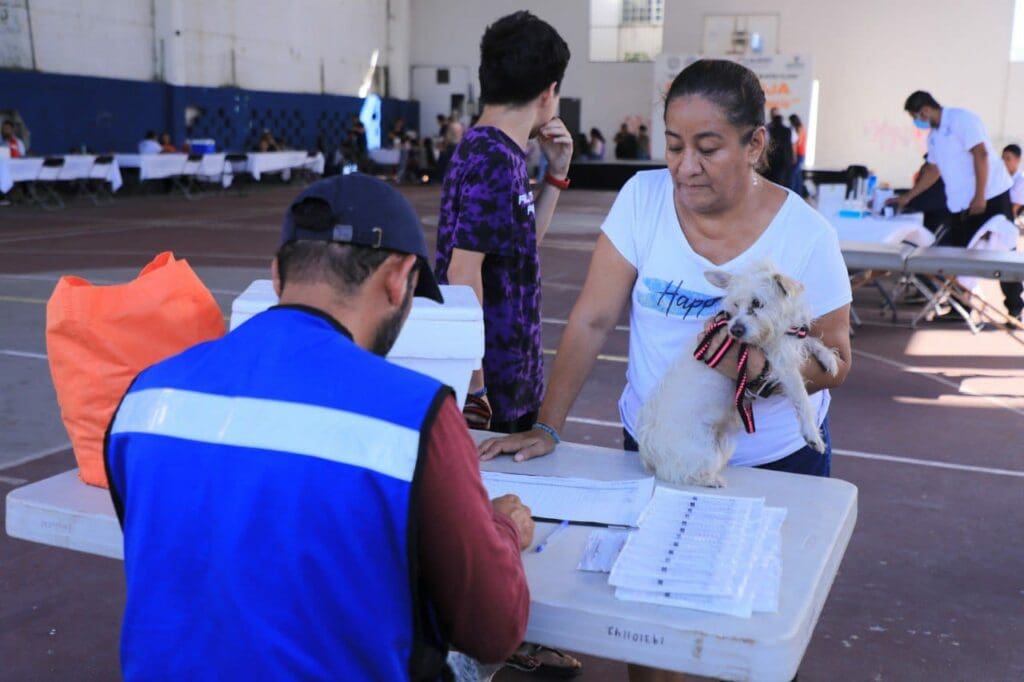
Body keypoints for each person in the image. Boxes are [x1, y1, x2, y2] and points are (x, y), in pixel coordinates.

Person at [477, 59, 853, 681]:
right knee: (653, 645)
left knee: (742, 646)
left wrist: (755, 374)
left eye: (708, 148)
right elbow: (593, 320)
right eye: (674, 146)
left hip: (777, 466)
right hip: (660, 451)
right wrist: (547, 428)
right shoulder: (644, 199)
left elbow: (837, 355)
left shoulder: (805, 235)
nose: (684, 166)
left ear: (755, 144)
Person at [104, 174, 534, 681]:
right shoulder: (416, 415)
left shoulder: (147, 395)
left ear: (278, 277)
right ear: (399, 279)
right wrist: (504, 529)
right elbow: (494, 626)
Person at [433, 12, 581, 677]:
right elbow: (464, 275)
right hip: (494, 384)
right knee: (490, 518)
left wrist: (556, 175)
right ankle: (477, 652)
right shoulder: (491, 160)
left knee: (500, 513)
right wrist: (478, 390)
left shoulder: (494, 152)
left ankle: (500, 639)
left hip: (505, 374)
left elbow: (516, 252)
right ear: (550, 92)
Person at [892, 91, 1022, 321]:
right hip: (962, 205)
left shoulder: (962, 120)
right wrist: (908, 197)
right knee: (959, 254)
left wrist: (980, 196)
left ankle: (1015, 306)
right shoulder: (934, 137)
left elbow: (980, 155)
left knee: (1003, 253)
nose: (917, 122)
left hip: (991, 196)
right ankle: (960, 307)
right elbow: (932, 171)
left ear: (925, 110)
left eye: (916, 117)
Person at [765, 108, 794, 186]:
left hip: (773, 158)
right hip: (784, 159)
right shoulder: (787, 130)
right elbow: (790, 145)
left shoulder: (769, 129)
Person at [1002, 143, 1024, 217]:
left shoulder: (1021, 182)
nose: (1004, 162)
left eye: (1008, 159)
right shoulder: (1000, 177)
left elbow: (1014, 209)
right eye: (1002, 158)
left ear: (1018, 160)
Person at [788, 113, 807, 196]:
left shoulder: (799, 128)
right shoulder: (799, 128)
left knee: (793, 174)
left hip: (799, 154)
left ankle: (791, 192)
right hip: (800, 153)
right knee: (798, 176)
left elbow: (798, 142)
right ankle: (798, 193)